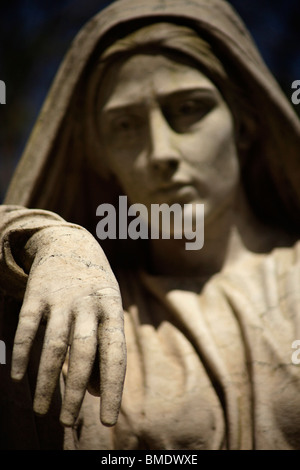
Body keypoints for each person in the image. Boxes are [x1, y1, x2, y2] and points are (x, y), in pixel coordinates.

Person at [1, 0, 300, 450]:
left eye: (189, 108)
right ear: (101, 158)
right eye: (125, 125)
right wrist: (46, 240)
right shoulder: (75, 313)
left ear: (244, 123)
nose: (161, 152)